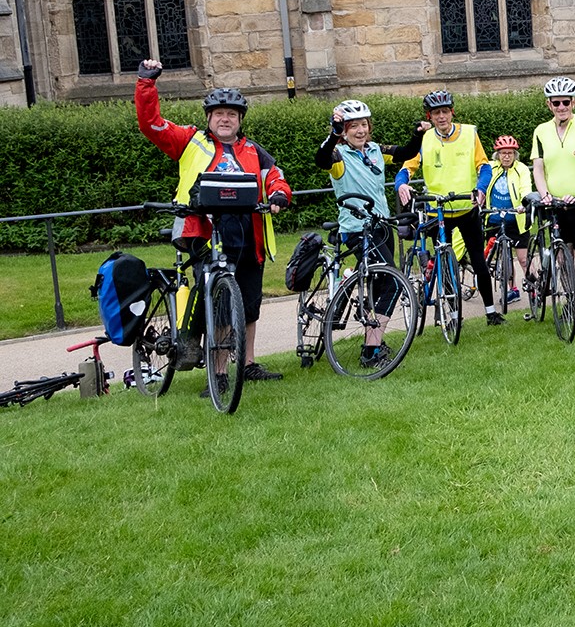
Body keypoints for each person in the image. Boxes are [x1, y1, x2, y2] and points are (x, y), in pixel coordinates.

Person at [134, 60, 291, 391]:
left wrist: (279, 195)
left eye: (231, 114)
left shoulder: (253, 150)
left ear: (240, 120)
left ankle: (246, 364)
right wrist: (146, 84)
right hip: (205, 232)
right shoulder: (191, 142)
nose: (225, 119)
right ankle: (219, 373)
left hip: (250, 235)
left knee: (248, 303)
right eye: (219, 113)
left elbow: (275, 178)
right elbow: (151, 125)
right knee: (219, 303)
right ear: (209, 118)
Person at [315, 99, 426, 364]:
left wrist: (418, 134)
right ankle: (371, 350)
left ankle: (372, 336)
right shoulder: (339, 156)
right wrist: (333, 133)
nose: (360, 131)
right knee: (391, 279)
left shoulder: (375, 150)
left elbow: (407, 152)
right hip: (356, 228)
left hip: (381, 225)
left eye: (363, 124)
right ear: (344, 130)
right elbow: (321, 159)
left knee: (382, 283)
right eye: (353, 126)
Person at [395, 90, 502, 324]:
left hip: (466, 208)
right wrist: (401, 184)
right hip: (438, 211)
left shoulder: (469, 133)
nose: (441, 117)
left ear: (452, 112)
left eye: (445, 111)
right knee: (444, 263)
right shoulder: (424, 138)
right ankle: (452, 316)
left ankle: (491, 311)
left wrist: (481, 189)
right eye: (436, 113)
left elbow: (484, 166)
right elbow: (406, 167)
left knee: (478, 262)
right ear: (430, 116)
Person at [530, 77, 575, 320]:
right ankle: (570, 304)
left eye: (565, 102)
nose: (561, 107)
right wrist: (545, 194)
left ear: (573, 102)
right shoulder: (541, 131)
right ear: (549, 104)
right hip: (555, 205)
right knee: (563, 258)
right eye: (556, 102)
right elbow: (538, 168)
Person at [486, 135, 532, 313]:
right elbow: (481, 185)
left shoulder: (521, 169)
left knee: (523, 258)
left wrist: (524, 203)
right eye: (503, 153)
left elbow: (525, 188)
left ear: (515, 154)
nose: (506, 156)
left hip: (516, 220)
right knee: (502, 257)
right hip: (494, 219)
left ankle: (534, 287)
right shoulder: (490, 168)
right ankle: (512, 289)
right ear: (497, 154)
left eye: (510, 153)